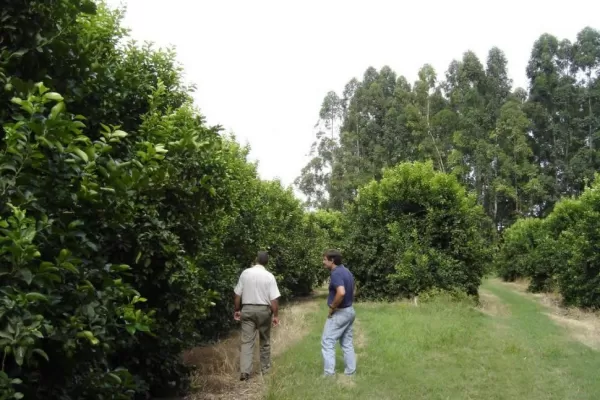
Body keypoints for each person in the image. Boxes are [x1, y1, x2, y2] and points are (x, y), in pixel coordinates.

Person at [233, 251, 281, 381]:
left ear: (256, 260)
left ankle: (245, 372)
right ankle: (265, 370)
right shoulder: (269, 276)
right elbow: (274, 300)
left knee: (247, 342)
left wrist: (237, 309)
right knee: (265, 341)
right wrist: (275, 315)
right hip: (264, 311)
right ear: (267, 262)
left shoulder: (245, 273)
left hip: (247, 309)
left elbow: (237, 294)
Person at [321, 249, 356, 377]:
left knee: (327, 341)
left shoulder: (335, 273)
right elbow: (353, 289)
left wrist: (332, 308)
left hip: (340, 312)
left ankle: (329, 375)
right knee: (347, 343)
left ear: (332, 260)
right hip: (350, 311)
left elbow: (341, 292)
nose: (323, 262)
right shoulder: (347, 271)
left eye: (325, 259)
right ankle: (350, 373)